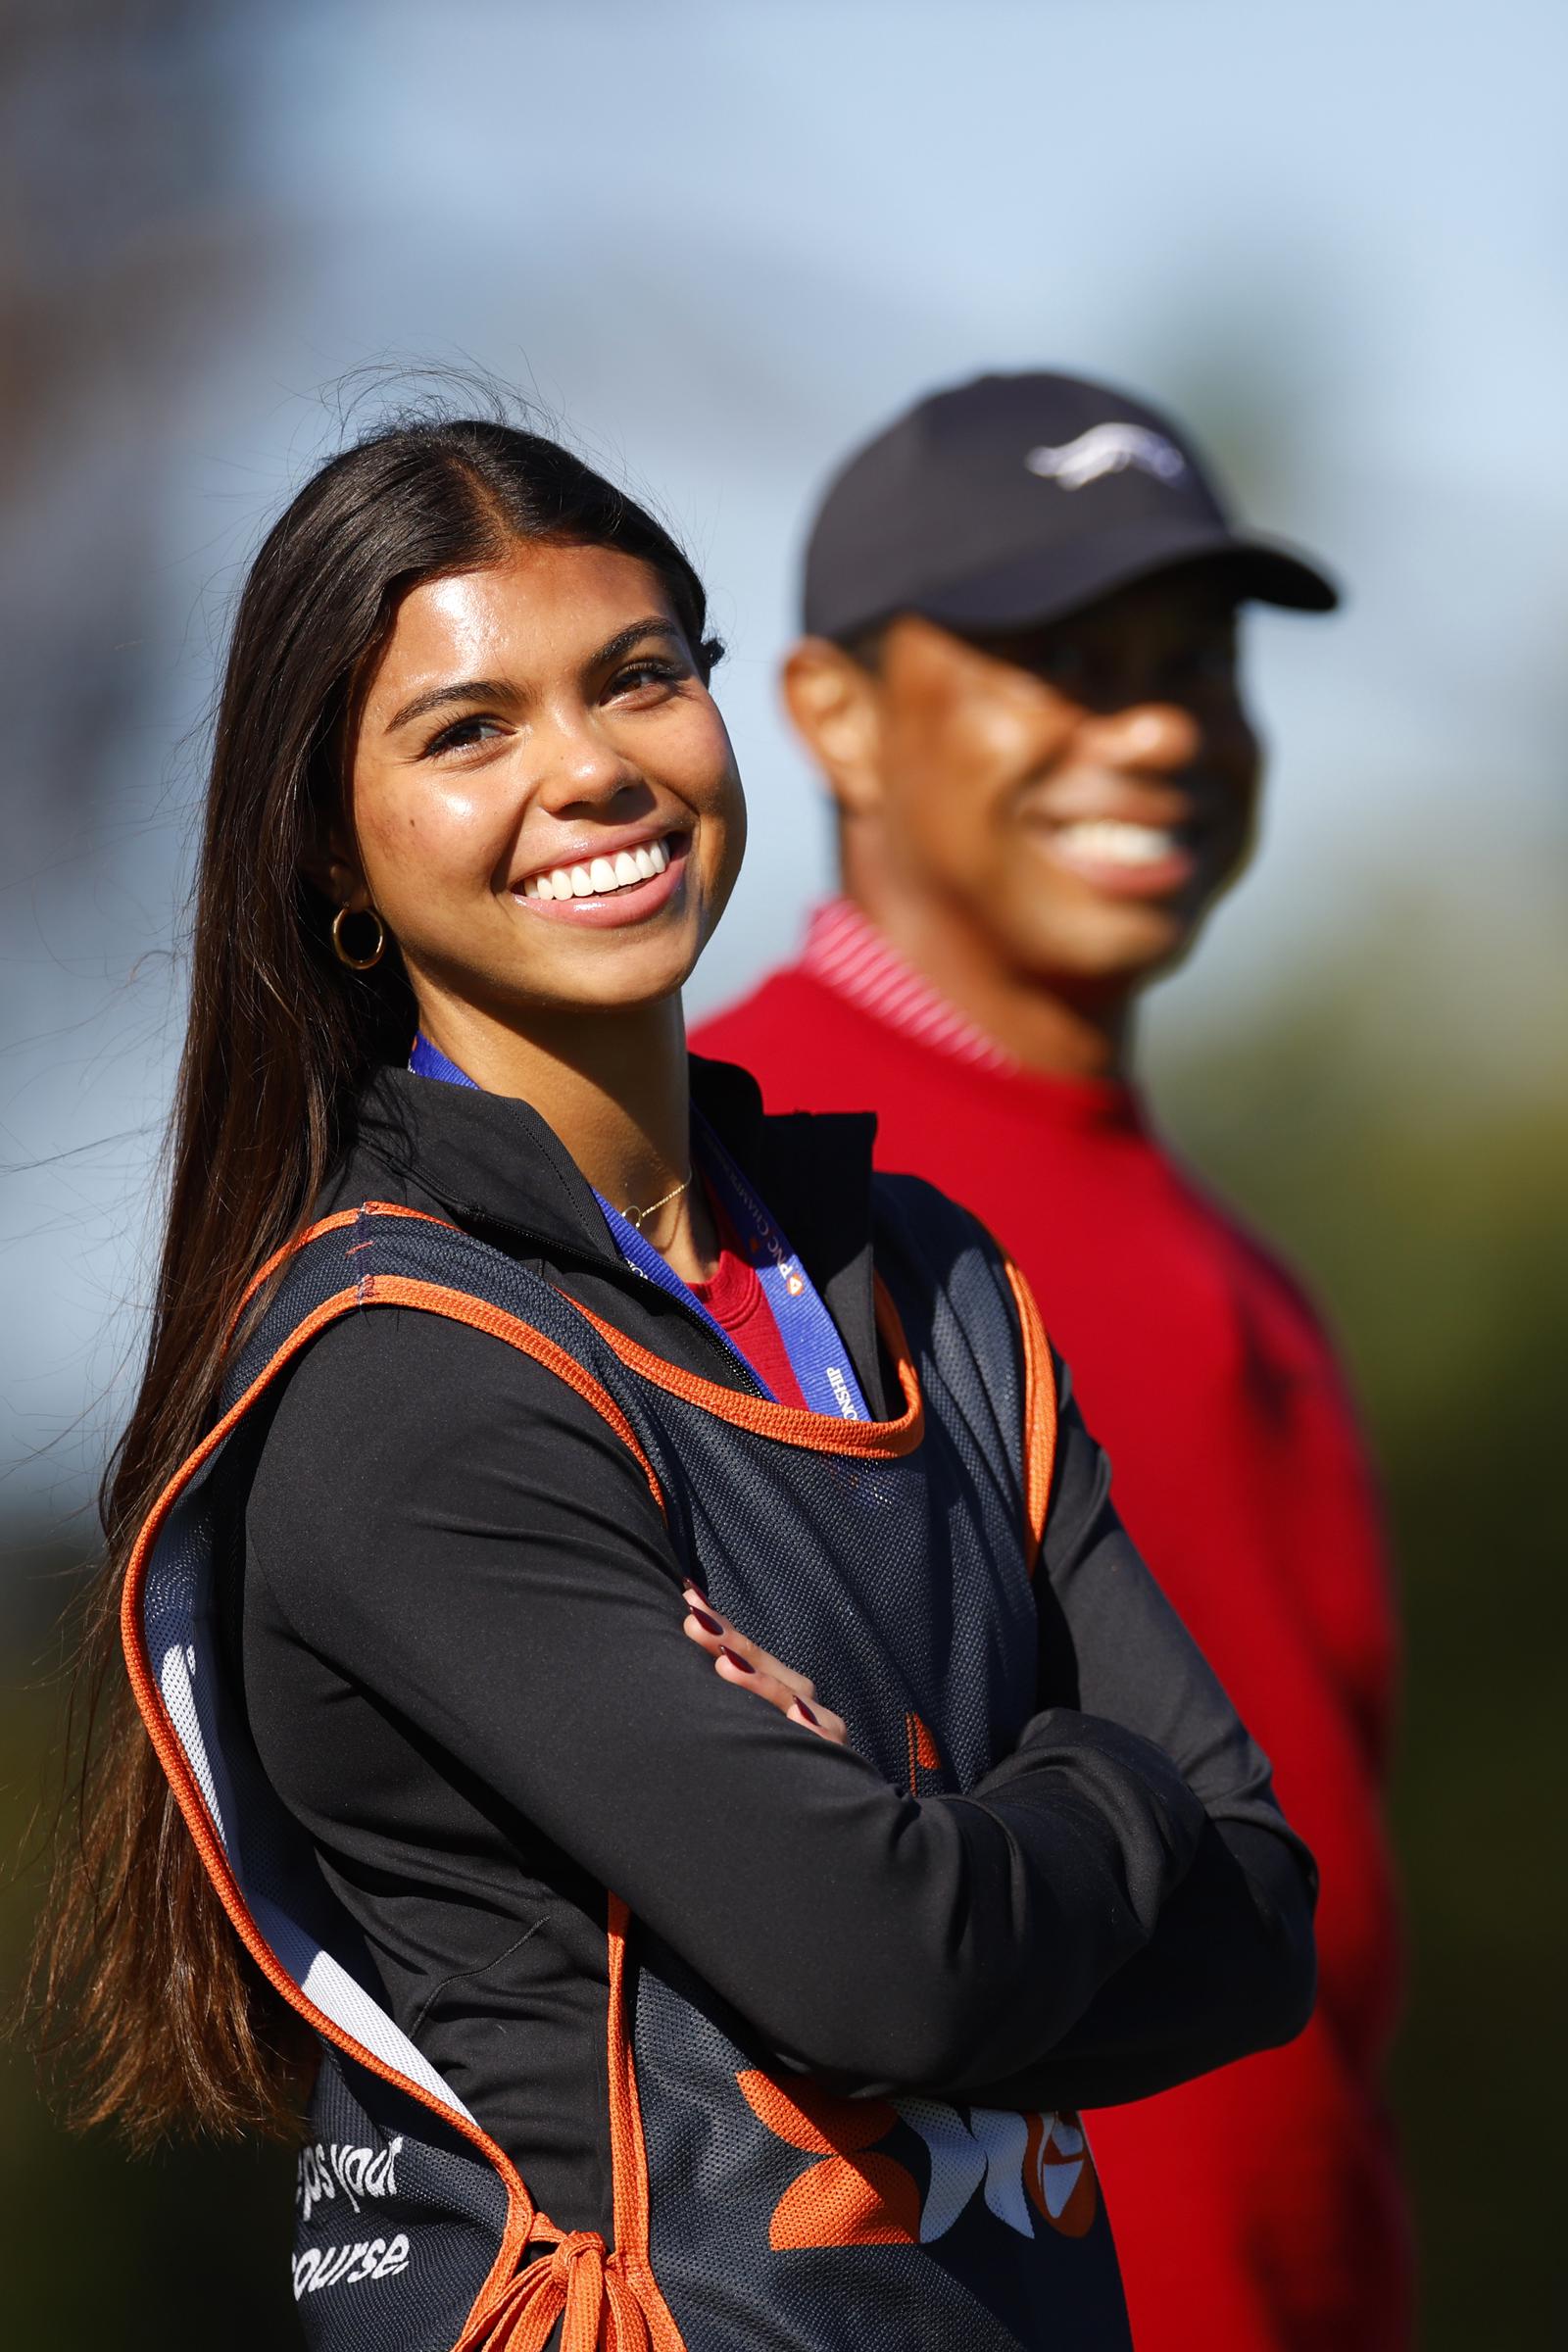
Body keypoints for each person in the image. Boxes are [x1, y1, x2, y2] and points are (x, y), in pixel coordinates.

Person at [37, 414, 1316, 2352]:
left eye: (638, 678)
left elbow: (1257, 1928)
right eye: (468, 729)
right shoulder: (406, 1383)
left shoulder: (925, 1274)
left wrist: (980, 1844)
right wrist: (1093, 1783)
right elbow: (884, 1975)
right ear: (331, 848)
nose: (589, 769)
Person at [694, 369, 1408, 2352]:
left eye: (1195, 664)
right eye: (1065, 661)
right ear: (831, 711)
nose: (1159, 728)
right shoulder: (713, 1179)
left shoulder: (1247, 1278)